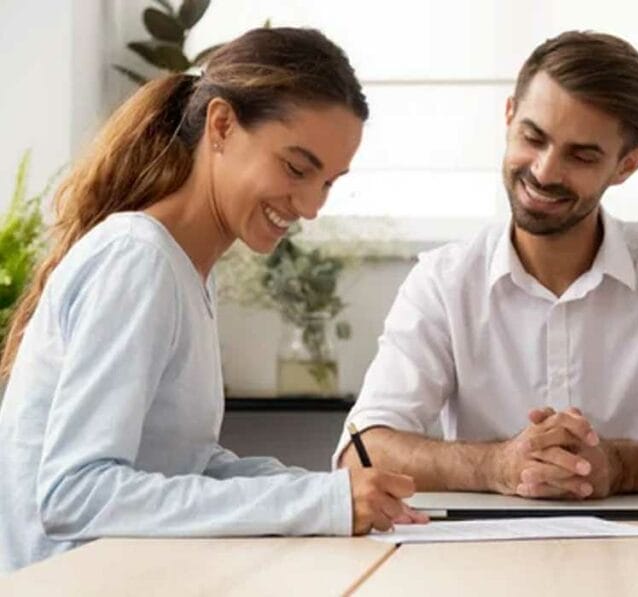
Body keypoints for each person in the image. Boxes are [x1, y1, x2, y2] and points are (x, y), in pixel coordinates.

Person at [0, 27, 425, 574]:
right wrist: (322, 503)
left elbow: (184, 466)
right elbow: (75, 493)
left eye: (328, 182)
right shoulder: (139, 259)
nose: (311, 206)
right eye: (297, 168)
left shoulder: (185, 269)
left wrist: (326, 490)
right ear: (221, 125)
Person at [334, 31, 638, 502]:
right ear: (509, 117)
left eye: (581, 155)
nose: (545, 172)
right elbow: (359, 452)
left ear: (626, 165)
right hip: (471, 560)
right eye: (533, 137)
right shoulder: (443, 282)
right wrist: (497, 466)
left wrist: (619, 466)